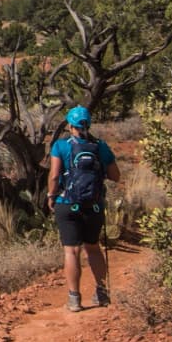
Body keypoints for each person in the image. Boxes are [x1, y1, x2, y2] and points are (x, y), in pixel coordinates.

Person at [47, 103, 117, 313]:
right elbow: (116, 176)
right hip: (93, 205)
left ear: (70, 125)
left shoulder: (61, 146)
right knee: (93, 248)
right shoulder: (100, 146)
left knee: (71, 251)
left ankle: (74, 298)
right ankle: (102, 292)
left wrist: (51, 195)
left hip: (66, 203)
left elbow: (54, 176)